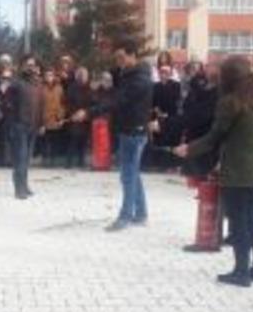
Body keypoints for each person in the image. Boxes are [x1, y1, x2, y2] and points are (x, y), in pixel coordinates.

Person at [174, 56, 253, 288]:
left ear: (227, 77)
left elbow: (214, 137)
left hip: (238, 169)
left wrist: (188, 149)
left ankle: (241, 272)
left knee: (239, 221)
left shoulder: (230, 102)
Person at [73, 37, 154, 231]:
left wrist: (88, 113)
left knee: (128, 175)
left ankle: (125, 216)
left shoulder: (139, 80)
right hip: (127, 130)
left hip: (135, 132)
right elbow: (112, 95)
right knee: (133, 174)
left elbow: (116, 101)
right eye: (116, 57)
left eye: (121, 56)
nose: (118, 61)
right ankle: (141, 213)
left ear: (133, 55)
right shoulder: (127, 73)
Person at [4, 55, 43, 199]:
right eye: (28, 64)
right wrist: (13, 123)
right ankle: (18, 188)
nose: (31, 67)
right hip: (19, 125)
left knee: (27, 159)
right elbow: (7, 104)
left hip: (33, 126)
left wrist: (41, 123)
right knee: (20, 158)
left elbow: (40, 105)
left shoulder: (37, 83)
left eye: (33, 65)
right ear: (22, 66)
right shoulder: (16, 83)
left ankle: (25, 185)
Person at [180, 62, 219, 180]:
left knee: (204, 172)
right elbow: (187, 104)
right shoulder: (199, 85)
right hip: (195, 131)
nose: (206, 69)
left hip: (207, 132)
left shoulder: (220, 90)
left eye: (210, 66)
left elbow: (206, 113)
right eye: (206, 66)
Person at [149, 63, 183, 171]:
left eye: (166, 73)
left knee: (171, 141)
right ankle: (160, 165)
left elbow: (175, 100)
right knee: (159, 141)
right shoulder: (155, 86)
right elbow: (152, 101)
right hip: (158, 116)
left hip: (171, 117)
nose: (163, 75)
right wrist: (156, 110)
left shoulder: (176, 85)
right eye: (161, 72)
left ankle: (172, 165)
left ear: (170, 74)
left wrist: (167, 113)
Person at [64, 66, 94, 168]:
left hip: (86, 117)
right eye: (80, 74)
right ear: (77, 76)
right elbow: (67, 102)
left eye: (84, 75)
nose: (82, 77)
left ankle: (81, 161)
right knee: (73, 140)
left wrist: (87, 113)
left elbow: (92, 103)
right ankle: (69, 162)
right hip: (74, 117)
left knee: (84, 141)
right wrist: (73, 114)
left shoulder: (90, 88)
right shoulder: (72, 88)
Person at [40, 68, 66, 167]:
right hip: (45, 119)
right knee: (45, 141)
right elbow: (39, 104)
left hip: (56, 119)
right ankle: (45, 160)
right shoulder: (41, 88)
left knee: (55, 141)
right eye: (47, 75)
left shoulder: (59, 88)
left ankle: (54, 160)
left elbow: (63, 103)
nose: (49, 77)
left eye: (51, 75)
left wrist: (61, 117)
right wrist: (40, 122)